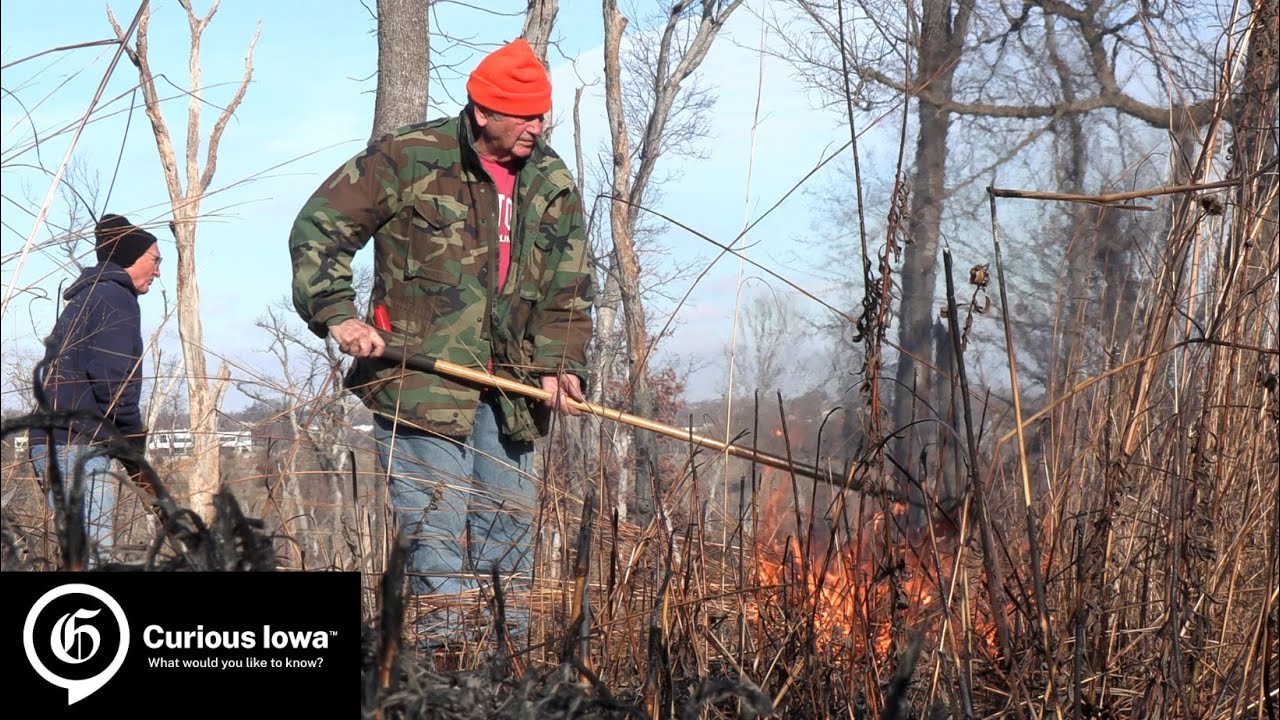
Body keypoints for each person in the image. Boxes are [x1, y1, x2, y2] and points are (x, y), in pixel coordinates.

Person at [289, 39, 594, 643]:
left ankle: (509, 673)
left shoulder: (551, 181)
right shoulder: (410, 156)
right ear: (483, 112)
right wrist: (337, 314)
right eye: (524, 116)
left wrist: (561, 365)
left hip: (512, 391)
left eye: (542, 114)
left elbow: (569, 288)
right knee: (434, 539)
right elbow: (320, 227)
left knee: (508, 539)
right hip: (420, 381)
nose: (538, 127)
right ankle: (442, 677)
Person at [30, 213, 160, 556]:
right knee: (94, 559)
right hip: (78, 448)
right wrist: (133, 438)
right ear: (129, 258)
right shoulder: (116, 300)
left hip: (52, 444)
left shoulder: (86, 299)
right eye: (155, 260)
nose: (158, 271)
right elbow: (113, 381)